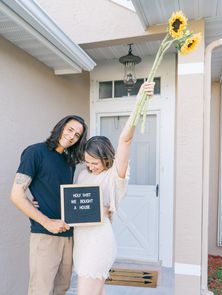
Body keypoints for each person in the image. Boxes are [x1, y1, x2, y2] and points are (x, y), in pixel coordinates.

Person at [73, 82, 155, 295]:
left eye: (95, 162)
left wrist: (139, 103)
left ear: (106, 158)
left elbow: (126, 140)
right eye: (87, 161)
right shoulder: (82, 175)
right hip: (81, 241)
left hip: (98, 241)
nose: (90, 166)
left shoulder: (114, 176)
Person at [10, 115, 88, 295]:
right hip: (45, 235)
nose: (71, 136)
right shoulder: (35, 152)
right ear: (60, 127)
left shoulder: (69, 162)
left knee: (62, 289)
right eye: (70, 130)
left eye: (77, 135)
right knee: (41, 290)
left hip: (68, 234)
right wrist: (47, 222)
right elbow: (16, 195)